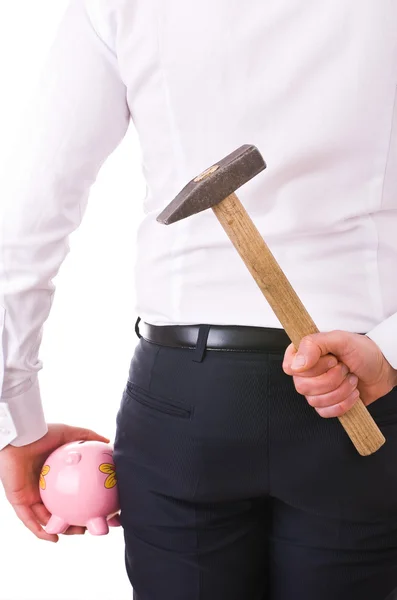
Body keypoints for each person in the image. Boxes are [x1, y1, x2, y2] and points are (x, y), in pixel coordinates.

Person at [1, 0, 397, 598]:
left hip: (186, 401)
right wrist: (389, 348)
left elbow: (27, 218)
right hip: (362, 389)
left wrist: (16, 421)